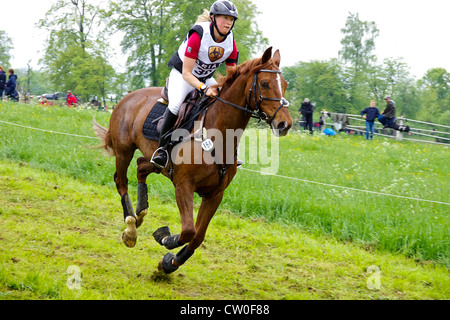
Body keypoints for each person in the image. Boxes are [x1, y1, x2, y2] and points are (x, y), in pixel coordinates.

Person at [151, 0, 239, 170]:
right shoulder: (198, 34)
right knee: (176, 105)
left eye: (231, 19)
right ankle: (161, 150)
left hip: (205, 77)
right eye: (224, 18)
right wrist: (204, 89)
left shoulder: (231, 41)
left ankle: (232, 151)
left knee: (227, 103)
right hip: (182, 76)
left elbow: (231, 76)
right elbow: (186, 73)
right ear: (213, 18)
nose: (228, 22)